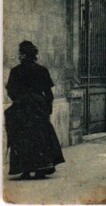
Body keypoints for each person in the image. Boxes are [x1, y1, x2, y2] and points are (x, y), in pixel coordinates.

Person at [5, 41, 65, 179]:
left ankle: (25, 170)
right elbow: (49, 94)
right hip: (38, 106)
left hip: (21, 107)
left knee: (22, 138)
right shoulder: (42, 70)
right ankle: (41, 169)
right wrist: (47, 109)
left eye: (20, 52)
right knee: (41, 137)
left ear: (22, 54)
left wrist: (19, 99)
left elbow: (11, 91)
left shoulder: (15, 71)